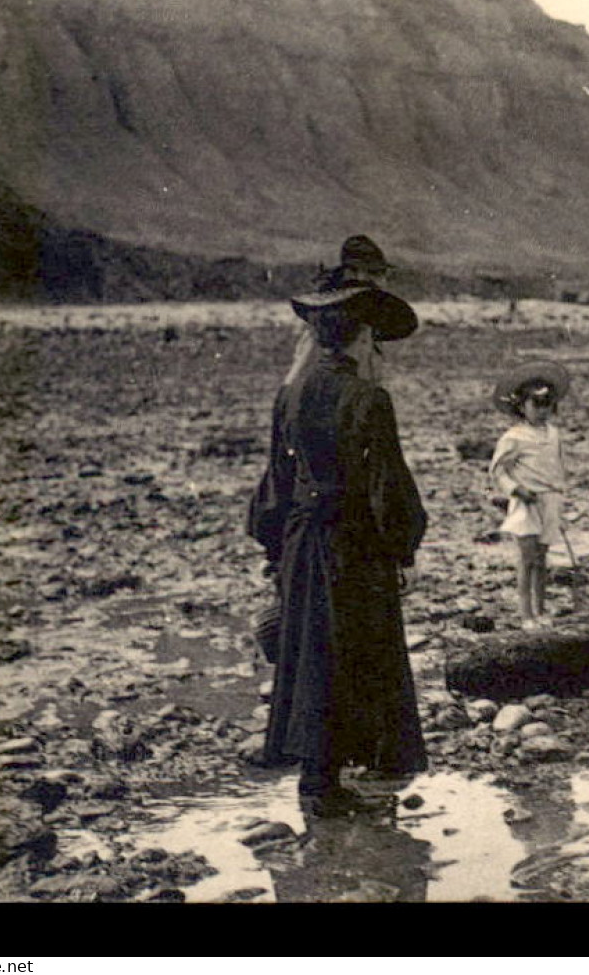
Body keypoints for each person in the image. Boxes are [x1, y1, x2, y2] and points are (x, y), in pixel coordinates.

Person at [247, 283, 428, 816]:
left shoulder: (291, 393)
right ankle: (337, 781)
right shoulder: (369, 398)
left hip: (304, 540)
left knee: (312, 654)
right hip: (355, 543)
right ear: (363, 335)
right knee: (358, 651)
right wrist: (404, 549)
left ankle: (318, 779)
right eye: (374, 337)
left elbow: (277, 479)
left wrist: (275, 549)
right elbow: (387, 483)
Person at [488, 361, 573, 631]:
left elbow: (558, 467)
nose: (542, 410)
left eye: (547, 403)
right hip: (526, 503)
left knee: (542, 558)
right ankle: (526, 614)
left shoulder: (554, 434)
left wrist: (560, 497)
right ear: (521, 406)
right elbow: (498, 471)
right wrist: (516, 490)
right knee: (527, 558)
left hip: (549, 500)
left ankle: (541, 609)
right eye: (535, 404)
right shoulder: (513, 437)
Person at [282, 235, 416, 388]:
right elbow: (294, 384)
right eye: (376, 273)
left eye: (381, 274)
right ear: (355, 274)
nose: (382, 282)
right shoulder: (328, 326)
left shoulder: (370, 327)